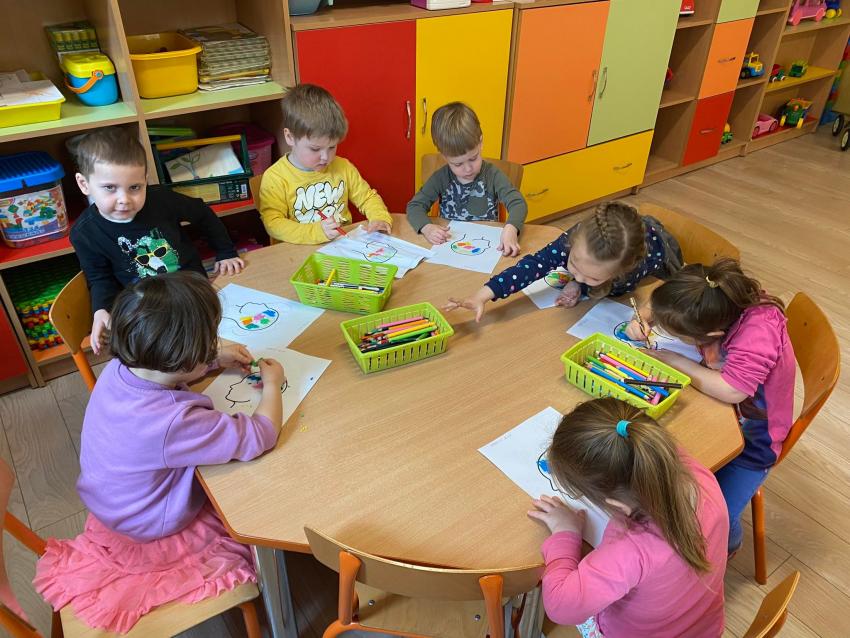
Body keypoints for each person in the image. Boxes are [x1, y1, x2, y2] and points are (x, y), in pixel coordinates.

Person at [34, 271, 285, 633]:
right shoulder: (172, 422)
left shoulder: (121, 366)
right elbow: (260, 435)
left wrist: (213, 359)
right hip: (150, 521)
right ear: (179, 356)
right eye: (207, 342)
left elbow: (170, 369)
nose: (212, 345)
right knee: (254, 502)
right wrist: (273, 385)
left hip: (112, 503)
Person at [626, 258, 795, 554]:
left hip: (754, 444)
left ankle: (728, 545)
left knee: (715, 517)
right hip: (719, 413)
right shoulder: (713, 293)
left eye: (677, 334)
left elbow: (732, 390)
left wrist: (675, 360)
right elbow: (664, 296)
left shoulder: (757, 331)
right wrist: (644, 316)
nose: (665, 333)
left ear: (713, 334)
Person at [528, 398, 728, 637]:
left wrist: (565, 532)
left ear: (619, 506)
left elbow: (561, 607)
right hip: (705, 628)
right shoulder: (698, 477)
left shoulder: (630, 550)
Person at [70, 127, 244, 354]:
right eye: (110, 188)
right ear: (84, 184)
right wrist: (101, 309)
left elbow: (202, 213)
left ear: (145, 179)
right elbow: (99, 278)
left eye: (135, 187)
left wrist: (226, 251)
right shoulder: (85, 233)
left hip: (194, 292)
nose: (124, 199)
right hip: (147, 308)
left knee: (224, 341)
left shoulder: (161, 200)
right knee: (167, 357)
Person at [446, 201, 682, 322]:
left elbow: (634, 292)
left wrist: (583, 287)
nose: (578, 274)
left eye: (592, 277)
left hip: (658, 252)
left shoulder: (636, 266)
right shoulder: (573, 241)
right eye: (574, 266)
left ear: (619, 271)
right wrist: (481, 296)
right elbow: (530, 267)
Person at [258, 83, 393, 244]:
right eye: (315, 149)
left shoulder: (343, 167)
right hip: (300, 250)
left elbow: (367, 198)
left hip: (343, 245)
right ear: (290, 137)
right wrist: (317, 232)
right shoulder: (276, 177)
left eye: (332, 147)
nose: (325, 157)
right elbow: (273, 223)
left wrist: (379, 217)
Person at [406, 101, 527, 257]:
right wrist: (427, 228)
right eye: (458, 164)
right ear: (445, 157)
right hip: (450, 248)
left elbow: (518, 203)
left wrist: (511, 228)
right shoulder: (441, 178)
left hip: (486, 248)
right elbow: (415, 206)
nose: (468, 169)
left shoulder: (492, 175)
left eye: (473, 158)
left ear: (480, 142)